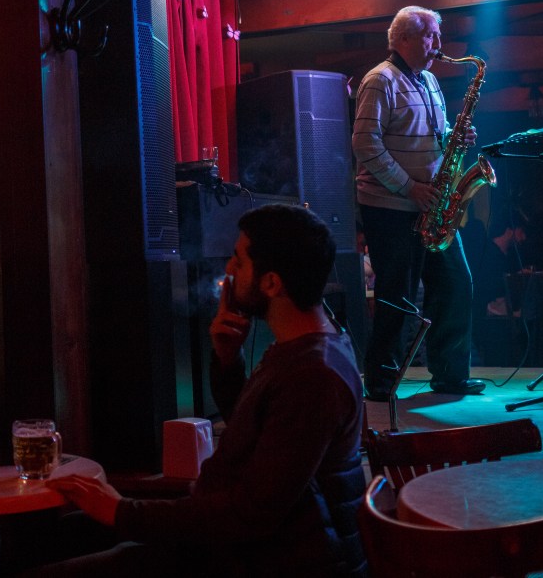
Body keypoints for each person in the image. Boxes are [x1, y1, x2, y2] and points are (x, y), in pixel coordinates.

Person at [37, 204, 367, 577]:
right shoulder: (310, 348)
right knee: (57, 534)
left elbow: (250, 514)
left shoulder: (312, 374)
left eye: (239, 262)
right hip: (242, 545)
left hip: (266, 559)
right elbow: (257, 436)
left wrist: (122, 510)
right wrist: (228, 362)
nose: (228, 270)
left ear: (272, 283)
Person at [353, 6, 483, 401]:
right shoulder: (379, 80)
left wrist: (453, 136)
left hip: (433, 206)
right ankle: (380, 382)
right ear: (404, 38)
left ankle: (450, 376)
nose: (439, 47)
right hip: (391, 207)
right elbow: (364, 144)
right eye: (431, 37)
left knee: (457, 287)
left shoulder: (427, 80)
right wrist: (409, 187)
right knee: (398, 296)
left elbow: (432, 129)